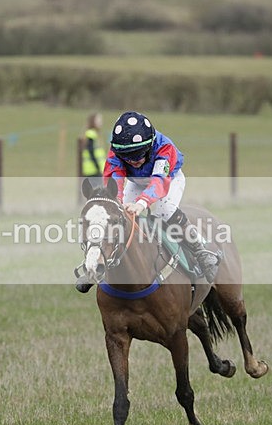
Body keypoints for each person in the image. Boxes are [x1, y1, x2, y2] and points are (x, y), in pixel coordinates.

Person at [75, 111, 220, 293]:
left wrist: (142, 203)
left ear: (150, 145)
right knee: (116, 214)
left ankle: (200, 249)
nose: (133, 160)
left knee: (164, 211)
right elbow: (114, 178)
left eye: (138, 154)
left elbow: (159, 181)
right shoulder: (116, 150)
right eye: (127, 156)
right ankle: (94, 262)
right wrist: (116, 201)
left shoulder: (164, 148)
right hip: (136, 181)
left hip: (168, 178)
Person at [80, 112, 106, 178]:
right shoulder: (91, 134)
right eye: (98, 120)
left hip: (95, 170)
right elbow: (91, 151)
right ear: (93, 121)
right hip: (93, 170)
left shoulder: (94, 134)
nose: (101, 122)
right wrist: (97, 166)